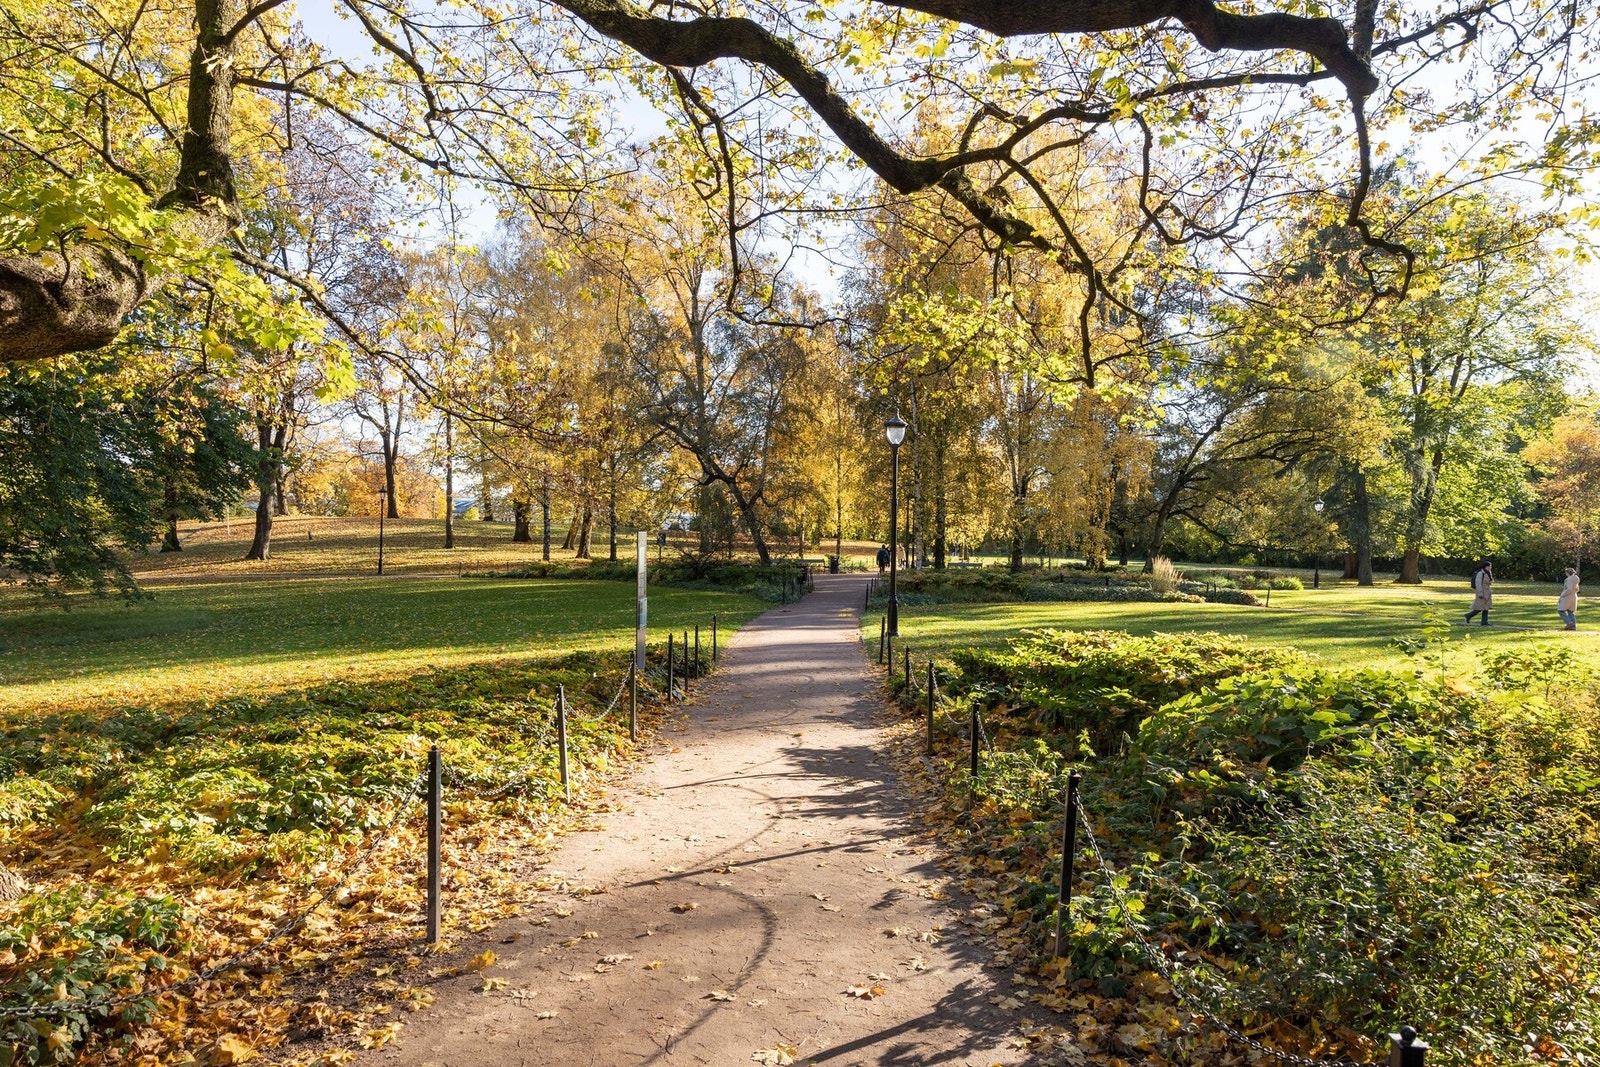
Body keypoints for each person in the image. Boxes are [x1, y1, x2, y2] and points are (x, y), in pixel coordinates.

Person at [1464, 560, 1493, 626]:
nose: (1490, 567)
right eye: (1489, 566)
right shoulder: (1481, 573)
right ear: (1486, 566)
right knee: (1479, 608)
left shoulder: (1488, 573)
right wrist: (1480, 593)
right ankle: (1468, 615)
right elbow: (1478, 583)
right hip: (1482, 592)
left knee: (1486, 608)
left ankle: (1484, 622)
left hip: (1487, 593)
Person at [1558, 566, 1580, 631]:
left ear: (1567, 573)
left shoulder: (1569, 579)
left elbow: (1569, 589)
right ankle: (1573, 625)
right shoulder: (1576, 580)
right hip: (1574, 596)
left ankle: (1570, 623)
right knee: (1570, 611)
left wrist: (1562, 594)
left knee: (1561, 610)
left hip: (1567, 597)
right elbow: (1577, 589)